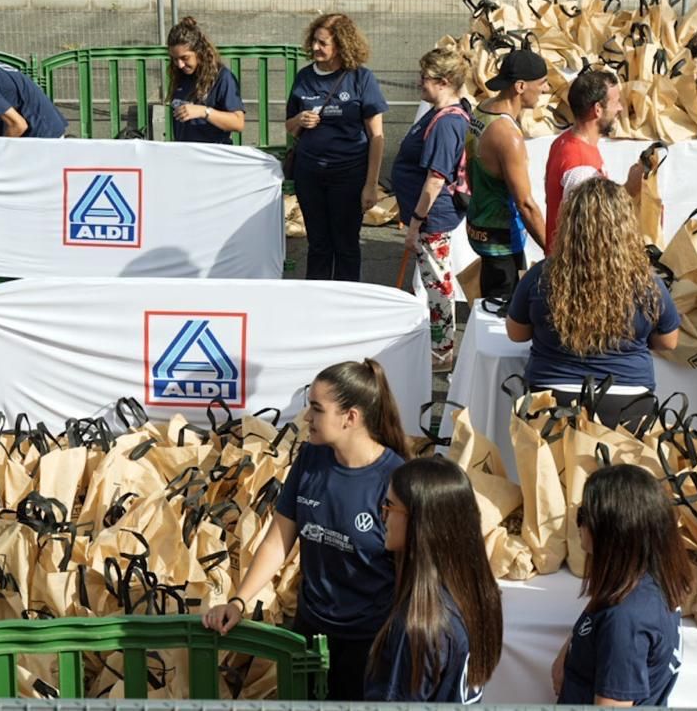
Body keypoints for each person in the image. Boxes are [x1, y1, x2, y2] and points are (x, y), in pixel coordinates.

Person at [204, 360, 409, 700]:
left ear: (351, 418)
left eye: (316, 409)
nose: (306, 418)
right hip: (310, 631)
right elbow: (278, 540)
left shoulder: (396, 479)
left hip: (369, 643)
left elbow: (409, 570)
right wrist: (239, 601)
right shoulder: (311, 458)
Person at [505, 178, 680, 430]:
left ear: (569, 224)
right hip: (629, 401)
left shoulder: (541, 276)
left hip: (552, 399)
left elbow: (516, 333)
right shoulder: (648, 283)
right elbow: (668, 341)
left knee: (549, 470)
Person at [364, 456, 503, 703]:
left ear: (421, 522)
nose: (381, 516)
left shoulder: (419, 625)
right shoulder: (477, 596)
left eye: (389, 506)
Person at [551, 464, 688, 707]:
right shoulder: (650, 582)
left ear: (614, 530)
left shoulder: (626, 620)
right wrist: (570, 650)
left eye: (583, 515)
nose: (578, 525)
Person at [285, 13, 388, 282]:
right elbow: (290, 126)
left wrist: (371, 184)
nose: (316, 48)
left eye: (323, 43)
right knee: (318, 244)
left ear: (341, 45)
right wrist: (299, 120)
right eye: (315, 41)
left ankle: (347, 304)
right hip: (310, 174)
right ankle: (316, 303)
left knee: (346, 245)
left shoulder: (361, 78)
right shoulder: (304, 77)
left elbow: (377, 135)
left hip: (349, 175)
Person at [392, 48, 473, 371]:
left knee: (437, 282)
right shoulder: (439, 113)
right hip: (430, 216)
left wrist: (415, 223)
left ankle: (442, 351)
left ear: (443, 82)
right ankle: (440, 345)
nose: (419, 83)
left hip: (432, 217)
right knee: (435, 279)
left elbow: (435, 180)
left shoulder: (445, 123)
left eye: (424, 78)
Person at [466, 49, 550, 301]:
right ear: (521, 86)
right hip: (500, 237)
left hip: (479, 222)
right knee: (502, 319)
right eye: (542, 83)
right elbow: (525, 204)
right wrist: (553, 250)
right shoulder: (507, 135)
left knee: (490, 302)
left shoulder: (482, 108)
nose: (546, 89)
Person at [544, 68, 643, 252]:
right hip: (578, 270)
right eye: (616, 103)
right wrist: (630, 189)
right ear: (598, 109)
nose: (620, 108)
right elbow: (593, 225)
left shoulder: (564, 142)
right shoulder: (581, 166)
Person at [166, 16, 245, 145]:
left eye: (185, 58)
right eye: (175, 59)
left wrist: (204, 112)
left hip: (213, 158)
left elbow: (238, 122)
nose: (179, 64)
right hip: (185, 156)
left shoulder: (222, 77)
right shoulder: (180, 75)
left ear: (199, 52)